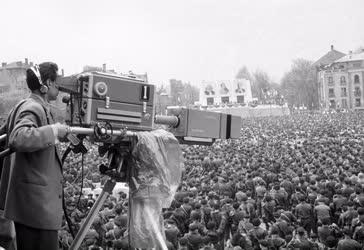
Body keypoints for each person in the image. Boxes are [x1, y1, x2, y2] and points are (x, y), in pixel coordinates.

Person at [0, 62, 69, 250]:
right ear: (46, 84)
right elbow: (19, 137)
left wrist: (55, 136)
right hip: (36, 210)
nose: (59, 87)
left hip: (30, 207)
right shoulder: (34, 107)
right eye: (56, 83)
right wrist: (53, 132)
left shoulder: (25, 105)